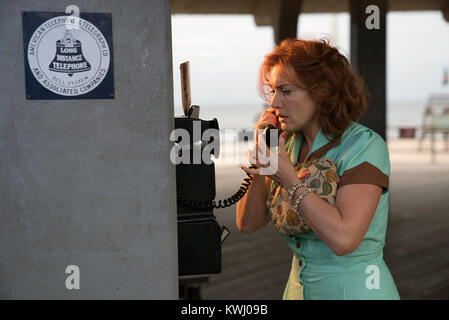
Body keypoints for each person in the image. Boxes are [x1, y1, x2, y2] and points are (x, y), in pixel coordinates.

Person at [236, 38, 400, 300]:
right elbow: (247, 222)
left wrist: (289, 178)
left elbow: (344, 240)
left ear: (322, 91)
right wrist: (262, 153)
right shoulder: (287, 144)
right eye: (272, 91)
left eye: (286, 91)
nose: (274, 103)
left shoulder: (365, 146)